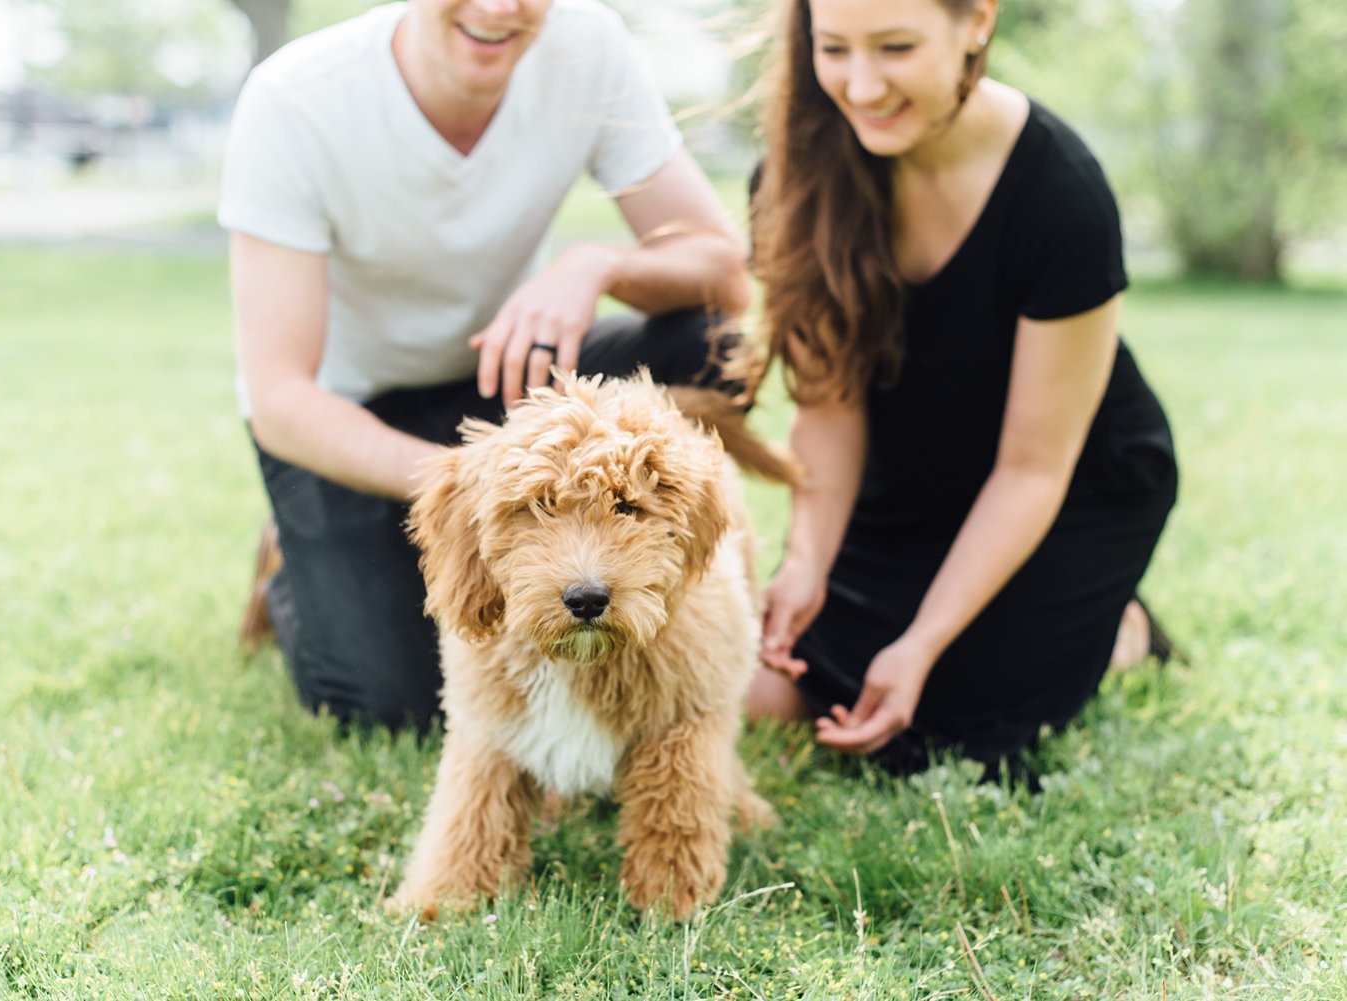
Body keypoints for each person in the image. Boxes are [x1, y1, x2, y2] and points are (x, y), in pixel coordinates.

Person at [219, 0, 752, 730]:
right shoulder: (295, 98)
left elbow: (724, 271)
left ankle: (625, 576)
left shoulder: (585, 44)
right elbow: (281, 398)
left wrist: (598, 265)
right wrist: (475, 490)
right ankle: (297, 559)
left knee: (717, 344)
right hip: (345, 418)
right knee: (394, 701)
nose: (500, 8)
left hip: (508, 388)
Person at [742, 0, 1178, 782]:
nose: (862, 85)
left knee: (949, 726)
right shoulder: (795, 173)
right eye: (834, 48)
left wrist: (923, 640)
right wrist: (805, 560)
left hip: (1071, 483)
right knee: (781, 687)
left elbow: (1033, 467)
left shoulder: (1061, 190)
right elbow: (829, 408)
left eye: (896, 47)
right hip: (911, 473)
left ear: (976, 21)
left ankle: (1119, 626)